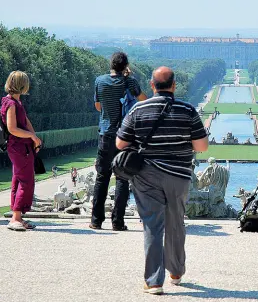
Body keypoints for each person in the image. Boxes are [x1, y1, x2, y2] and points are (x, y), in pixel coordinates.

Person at [116, 66, 208, 295]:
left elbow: (120, 144)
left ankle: (154, 281)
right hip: (179, 175)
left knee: (152, 225)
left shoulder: (139, 109)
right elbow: (202, 147)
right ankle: (176, 272)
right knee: (176, 222)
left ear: (152, 85)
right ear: (174, 85)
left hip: (146, 175)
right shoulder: (187, 110)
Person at [89, 51, 146, 231]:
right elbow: (144, 100)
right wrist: (129, 79)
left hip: (106, 134)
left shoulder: (100, 81)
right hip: (126, 136)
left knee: (102, 177)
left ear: (111, 64)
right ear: (125, 66)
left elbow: (98, 106)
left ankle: (96, 220)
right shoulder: (130, 82)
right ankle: (117, 222)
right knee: (122, 178)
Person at [0, 71, 41, 231]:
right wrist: (31, 136)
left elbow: (25, 121)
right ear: (22, 85)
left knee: (18, 180)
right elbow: (12, 128)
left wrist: (34, 138)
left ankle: (17, 216)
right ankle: (15, 217)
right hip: (19, 147)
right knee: (26, 181)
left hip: (21, 146)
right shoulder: (11, 103)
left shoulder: (13, 101)